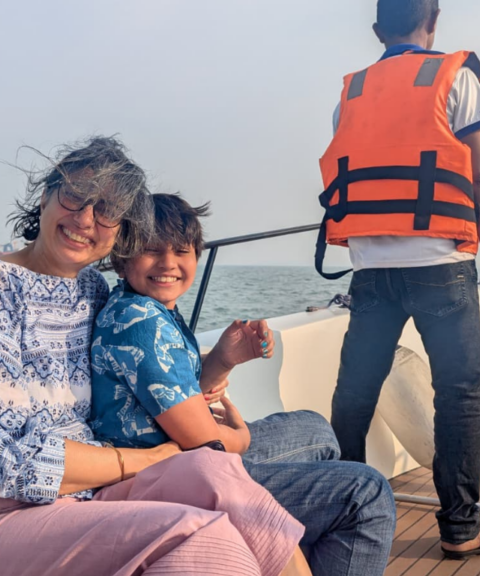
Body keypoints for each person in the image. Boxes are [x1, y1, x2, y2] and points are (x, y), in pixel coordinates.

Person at [0, 137, 310, 576]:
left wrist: (219, 363)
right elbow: (2, 458)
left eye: (107, 210)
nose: (86, 219)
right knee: (203, 536)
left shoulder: (91, 291)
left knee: (216, 475)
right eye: (75, 196)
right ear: (45, 197)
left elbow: (142, 386)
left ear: (121, 232)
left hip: (77, 498)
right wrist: (150, 460)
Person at [91, 193, 396, 576]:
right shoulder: (140, 322)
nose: (168, 263)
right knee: (366, 494)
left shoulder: (147, 307)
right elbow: (204, 441)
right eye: (152, 250)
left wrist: (222, 359)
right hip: (164, 479)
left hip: (182, 460)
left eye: (181, 251)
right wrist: (241, 437)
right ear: (122, 259)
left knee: (316, 429)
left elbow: (170, 400)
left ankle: (286, 548)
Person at [317, 0, 480, 559]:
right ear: (433, 22)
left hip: (371, 272)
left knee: (354, 393)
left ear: (377, 30)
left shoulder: (351, 93)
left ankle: (343, 512)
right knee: (459, 393)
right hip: (440, 264)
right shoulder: (456, 76)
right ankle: (461, 528)